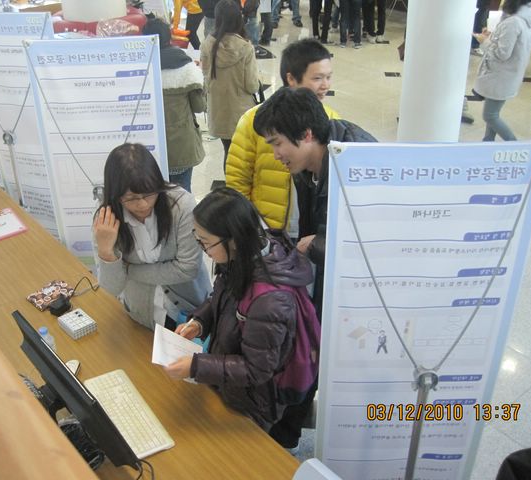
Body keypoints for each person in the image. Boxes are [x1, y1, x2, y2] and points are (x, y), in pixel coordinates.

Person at [253, 86, 376, 450]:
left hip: (363, 297)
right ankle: (284, 433)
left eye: (277, 143)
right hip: (327, 279)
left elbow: (373, 245)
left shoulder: (358, 164)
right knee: (309, 348)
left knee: (323, 355)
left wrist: (317, 245)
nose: (275, 154)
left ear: (306, 134)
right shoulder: (309, 162)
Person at [163, 187, 314, 432]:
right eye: (197, 239)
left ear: (233, 238)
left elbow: (256, 369)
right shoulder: (242, 256)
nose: (203, 249)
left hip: (253, 402)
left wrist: (196, 366)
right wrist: (199, 322)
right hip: (228, 384)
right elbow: (220, 297)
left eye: (205, 242)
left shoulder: (271, 300)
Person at [92, 143, 211, 331]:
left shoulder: (181, 205)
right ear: (115, 195)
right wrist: (106, 252)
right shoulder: (106, 220)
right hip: (141, 313)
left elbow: (187, 269)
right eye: (131, 198)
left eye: (149, 193)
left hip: (190, 311)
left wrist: (128, 270)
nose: (142, 204)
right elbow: (112, 288)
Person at [226, 39, 338, 235]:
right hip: (269, 228)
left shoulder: (332, 121)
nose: (325, 85)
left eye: (328, 77)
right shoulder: (256, 121)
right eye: (317, 78)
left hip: (310, 231)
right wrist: (250, 226)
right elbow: (238, 180)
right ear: (291, 79)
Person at [142, 18, 205, 192]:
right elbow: (199, 106)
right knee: (182, 195)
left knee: (156, 195)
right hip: (181, 145)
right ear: (169, 37)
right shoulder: (186, 67)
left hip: (149, 148)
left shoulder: (140, 68)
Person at [201, 0, 259, 170]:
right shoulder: (245, 47)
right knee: (243, 155)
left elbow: (206, 77)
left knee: (228, 151)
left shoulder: (207, 45)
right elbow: (251, 85)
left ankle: (230, 183)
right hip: (240, 111)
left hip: (218, 109)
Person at [473, 0, 531, 142]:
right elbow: (511, 46)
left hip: (500, 76)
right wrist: (490, 37)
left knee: (490, 116)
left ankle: (514, 145)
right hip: (509, 76)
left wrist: (484, 41)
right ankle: (488, 142)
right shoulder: (526, 19)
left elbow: (502, 54)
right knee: (494, 113)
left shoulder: (513, 22)